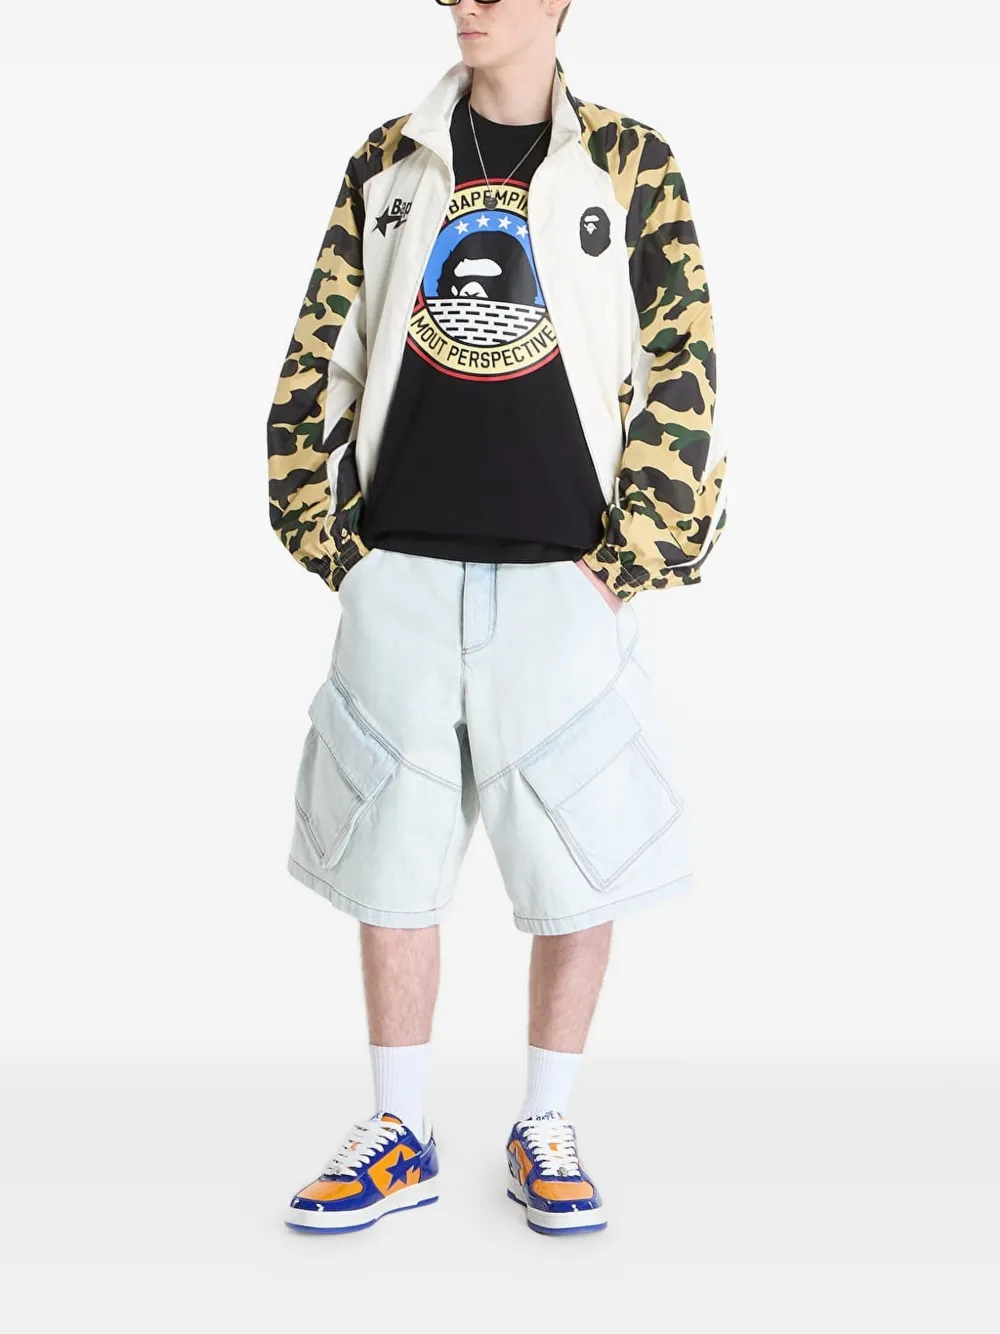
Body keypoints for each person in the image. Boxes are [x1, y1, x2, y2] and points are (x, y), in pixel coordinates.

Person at [266, 0, 727, 1237]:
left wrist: (627, 560)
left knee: (578, 856)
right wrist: (338, 551)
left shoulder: (629, 163)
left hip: (564, 577)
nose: (468, 3)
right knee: (390, 860)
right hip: (400, 570)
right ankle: (399, 1126)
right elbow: (320, 355)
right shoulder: (388, 163)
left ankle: (546, 1120)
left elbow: (682, 369)